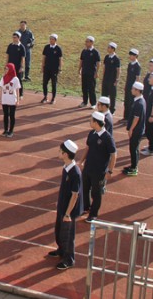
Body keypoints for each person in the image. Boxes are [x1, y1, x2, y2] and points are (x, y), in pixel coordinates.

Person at [48, 139, 83, 270]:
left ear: (65, 154)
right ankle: (61, 250)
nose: (58, 153)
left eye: (60, 151)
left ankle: (69, 259)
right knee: (59, 230)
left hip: (70, 209)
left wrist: (68, 213)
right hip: (63, 205)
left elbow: (75, 195)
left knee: (68, 234)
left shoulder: (75, 173)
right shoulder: (66, 168)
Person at [80, 112, 116, 222]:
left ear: (96, 122)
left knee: (96, 193)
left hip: (99, 171)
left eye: (90, 120)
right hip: (88, 168)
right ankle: (86, 207)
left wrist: (110, 171)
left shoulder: (107, 138)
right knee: (84, 189)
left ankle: (93, 214)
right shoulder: (92, 133)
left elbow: (114, 154)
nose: (89, 122)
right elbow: (87, 148)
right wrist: (81, 161)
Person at [124, 82, 145, 176]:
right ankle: (133, 165)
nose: (131, 90)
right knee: (134, 148)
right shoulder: (140, 101)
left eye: (133, 89)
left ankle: (134, 168)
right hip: (138, 129)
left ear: (137, 91)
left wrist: (131, 129)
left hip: (136, 130)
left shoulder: (139, 103)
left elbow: (136, 119)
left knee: (133, 148)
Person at [78, 36, 101, 108]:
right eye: (86, 41)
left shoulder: (95, 52)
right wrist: (79, 69)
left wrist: (96, 72)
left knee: (91, 88)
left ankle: (93, 103)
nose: (86, 43)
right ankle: (84, 102)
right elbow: (81, 61)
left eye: (87, 41)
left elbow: (98, 63)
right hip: (84, 72)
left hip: (91, 73)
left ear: (91, 42)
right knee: (84, 87)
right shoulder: (84, 51)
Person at [0, 63, 20, 137]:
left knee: (11, 115)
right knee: (5, 115)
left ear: (11, 69)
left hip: (12, 100)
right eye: (5, 69)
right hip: (5, 99)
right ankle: (5, 130)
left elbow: (17, 90)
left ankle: (11, 131)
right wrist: (0, 98)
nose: (6, 70)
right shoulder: (3, 78)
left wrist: (17, 100)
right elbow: (1, 89)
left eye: (7, 69)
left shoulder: (15, 79)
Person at [41, 34, 63, 104]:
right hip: (47, 68)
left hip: (54, 69)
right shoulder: (46, 47)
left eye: (52, 39)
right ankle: (45, 97)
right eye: (50, 39)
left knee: (54, 84)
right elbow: (44, 57)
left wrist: (60, 68)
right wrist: (42, 67)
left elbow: (60, 59)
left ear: (55, 40)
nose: (51, 40)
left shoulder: (58, 48)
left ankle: (53, 98)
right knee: (44, 83)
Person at [121, 48, 141, 122]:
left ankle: (130, 118)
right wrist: (126, 85)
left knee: (131, 103)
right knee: (126, 102)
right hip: (128, 86)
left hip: (133, 87)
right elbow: (128, 76)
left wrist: (135, 88)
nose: (130, 56)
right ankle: (125, 117)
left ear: (136, 56)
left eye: (132, 55)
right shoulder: (130, 64)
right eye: (130, 54)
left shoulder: (137, 66)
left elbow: (137, 78)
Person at [101, 42, 121, 114]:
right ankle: (103, 107)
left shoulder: (116, 59)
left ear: (113, 49)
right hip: (106, 79)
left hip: (112, 80)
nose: (108, 49)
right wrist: (103, 77)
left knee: (112, 95)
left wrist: (117, 79)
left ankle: (112, 110)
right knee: (104, 94)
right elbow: (104, 67)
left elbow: (118, 70)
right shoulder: (106, 57)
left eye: (109, 47)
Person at [5, 31, 26, 98]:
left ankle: (21, 94)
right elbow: (7, 55)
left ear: (19, 38)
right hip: (10, 67)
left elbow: (23, 58)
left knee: (18, 79)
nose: (14, 39)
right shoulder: (10, 46)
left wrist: (22, 67)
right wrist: (6, 64)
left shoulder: (22, 47)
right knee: (9, 79)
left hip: (17, 66)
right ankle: (9, 92)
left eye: (15, 37)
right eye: (13, 37)